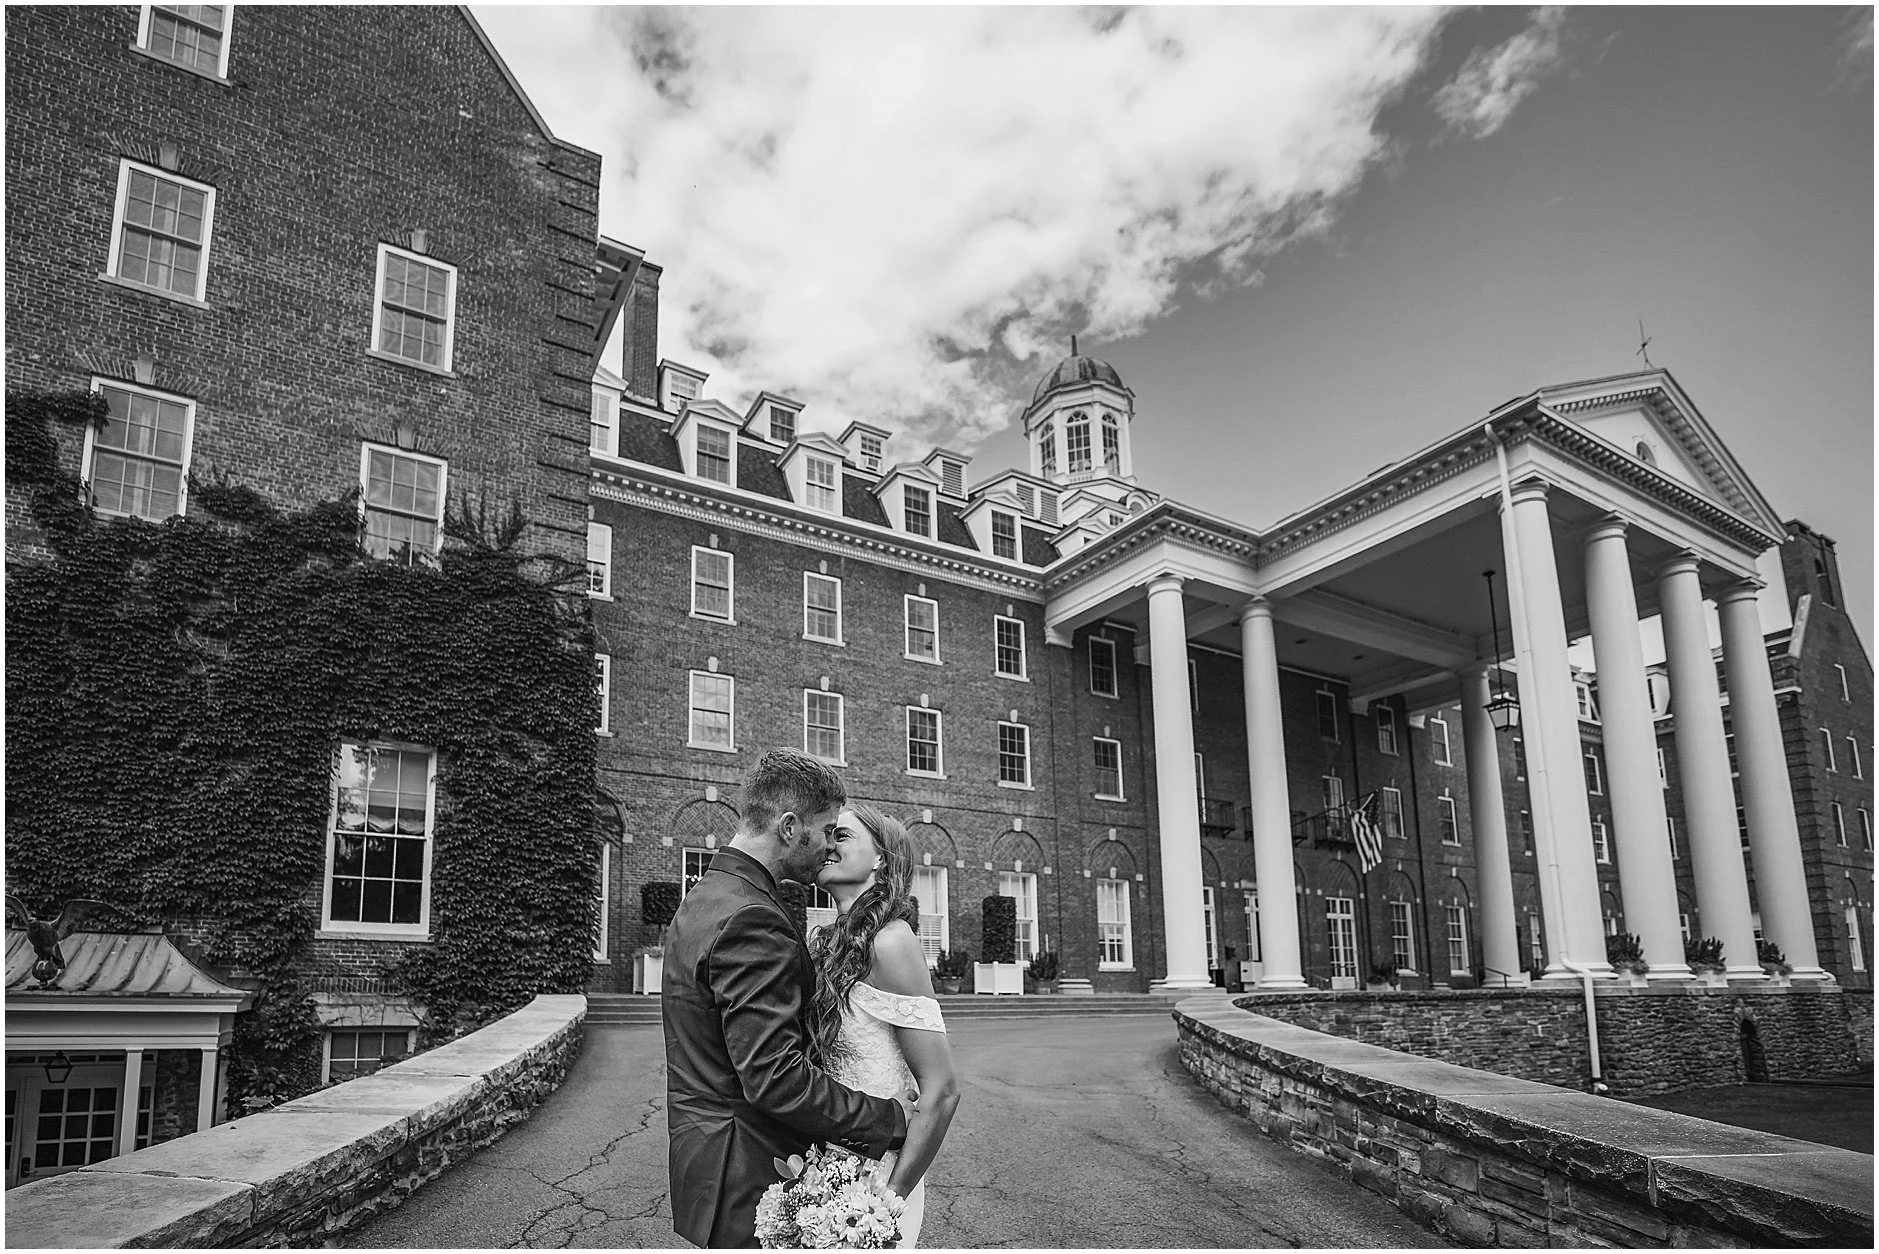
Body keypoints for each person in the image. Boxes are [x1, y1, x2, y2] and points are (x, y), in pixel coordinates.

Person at [663, 749, 914, 1249]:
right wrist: (891, 1120)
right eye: (825, 831)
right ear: (789, 826)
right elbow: (774, 1078)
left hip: (708, 1159)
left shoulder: (708, 895)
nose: (828, 846)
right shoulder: (752, 919)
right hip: (746, 1168)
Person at [807, 803, 962, 1249]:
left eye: (841, 835)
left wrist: (885, 1203)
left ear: (880, 859)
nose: (827, 844)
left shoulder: (892, 941)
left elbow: (943, 1089)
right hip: (823, 1165)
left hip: (875, 1184)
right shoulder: (833, 940)